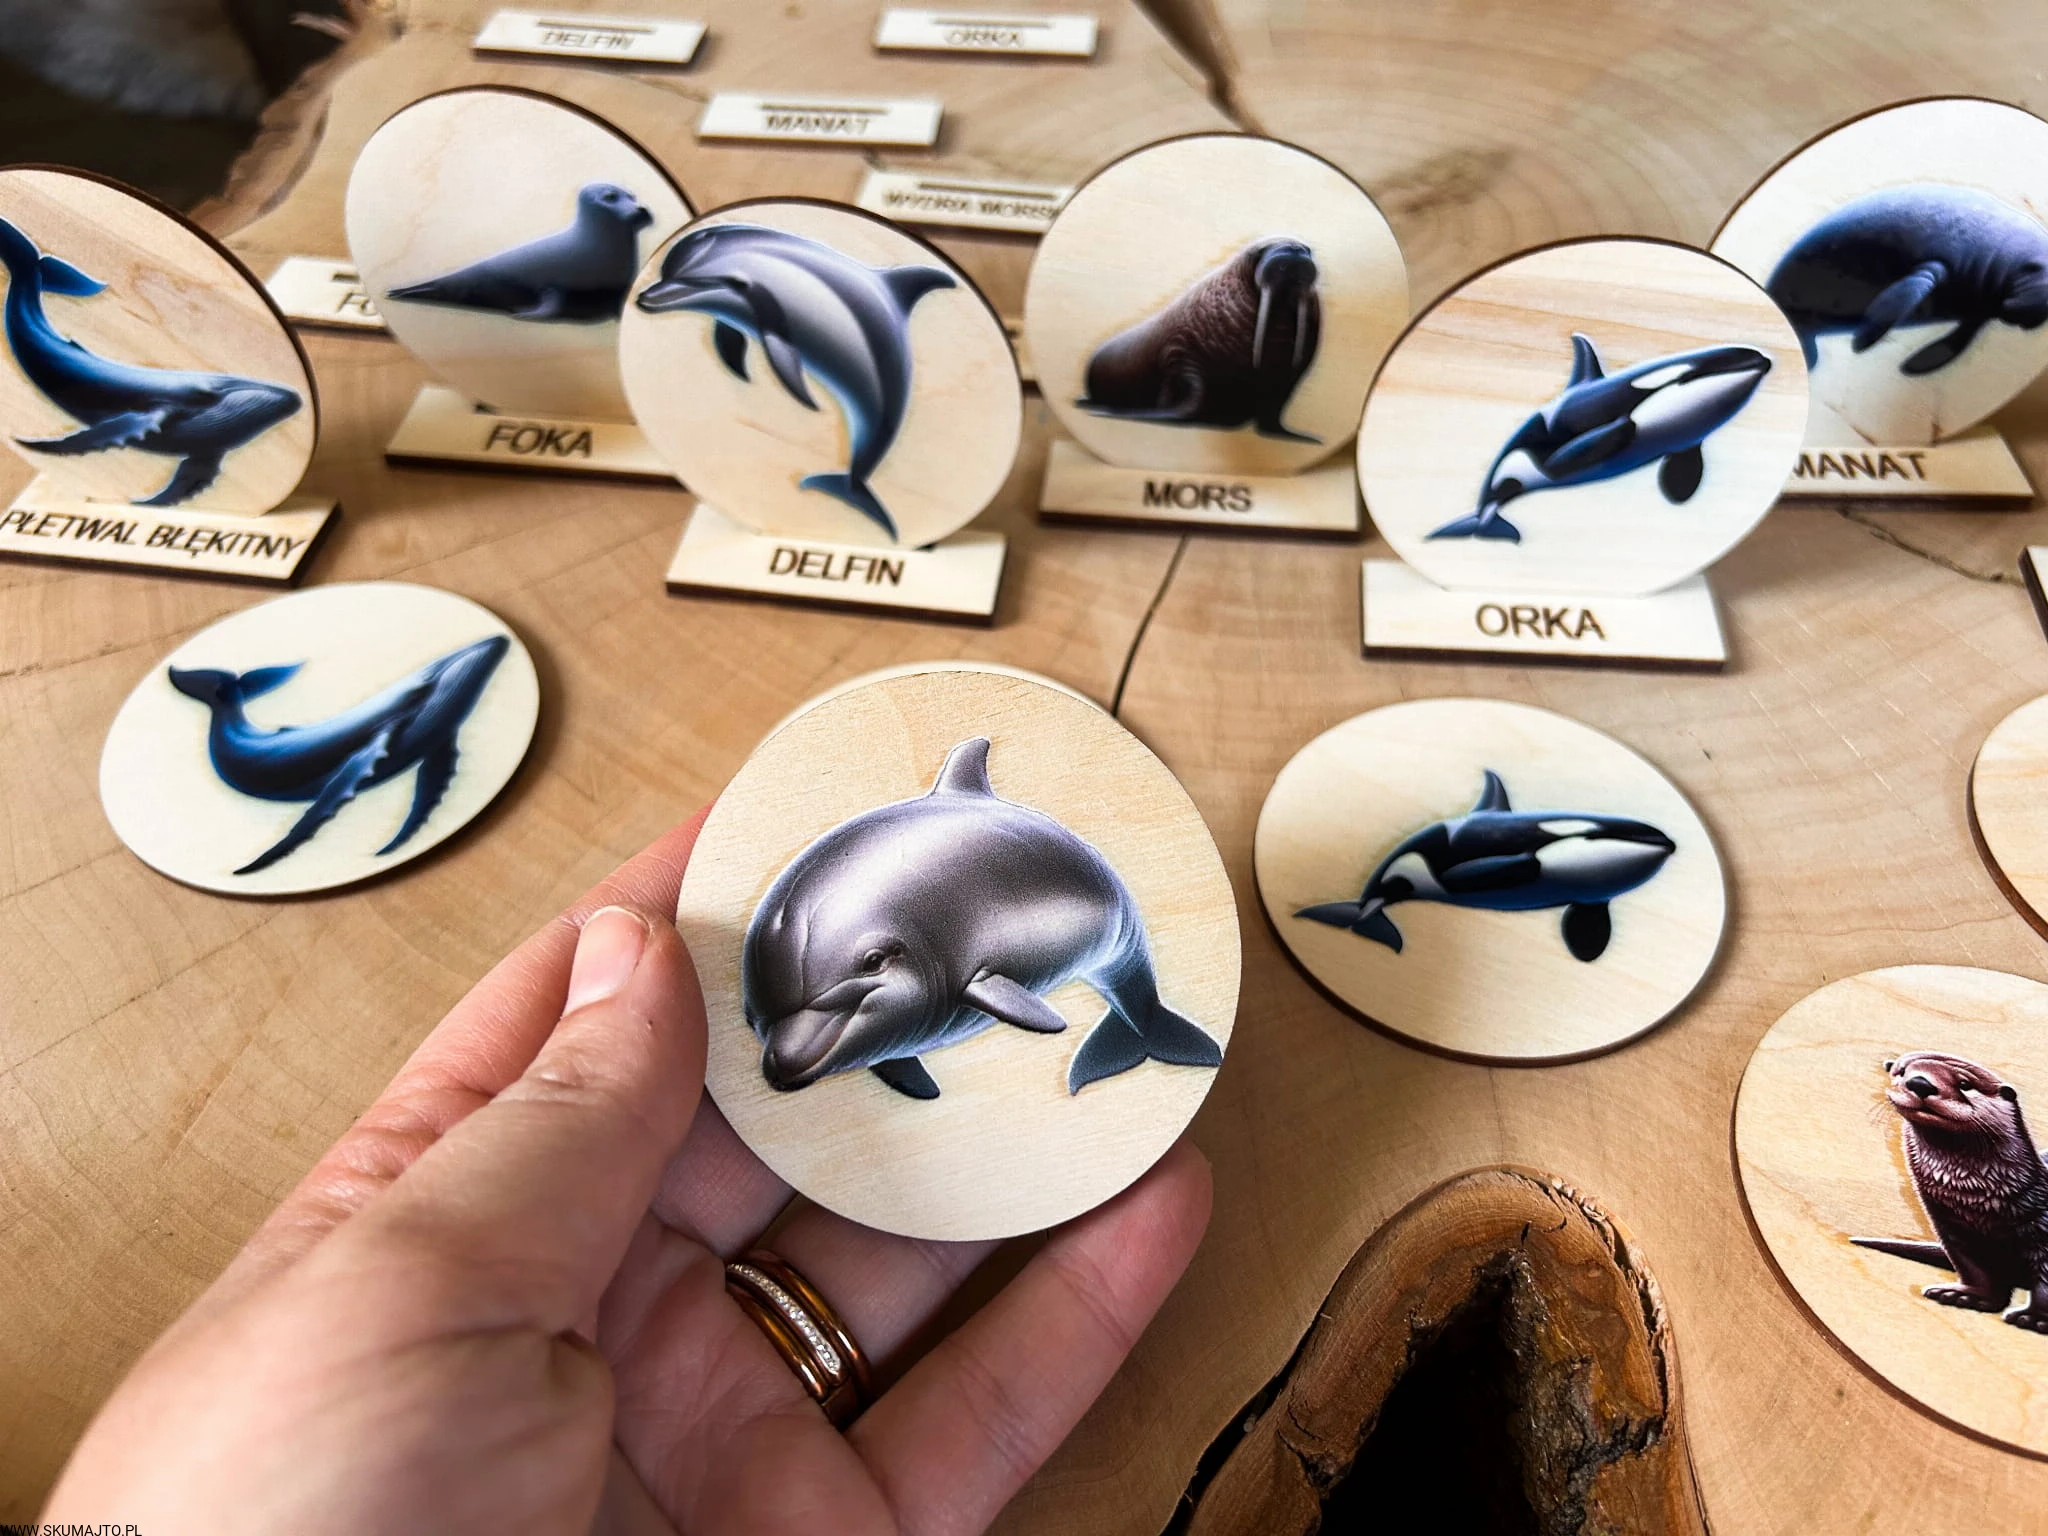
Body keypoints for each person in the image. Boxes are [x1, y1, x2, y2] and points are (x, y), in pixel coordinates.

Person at [42, 814, 1213, 1533]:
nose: (789, 1056)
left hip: (1040, 934)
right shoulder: (837, 992)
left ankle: (1138, 1016)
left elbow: (984, 1001)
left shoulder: (967, 967)